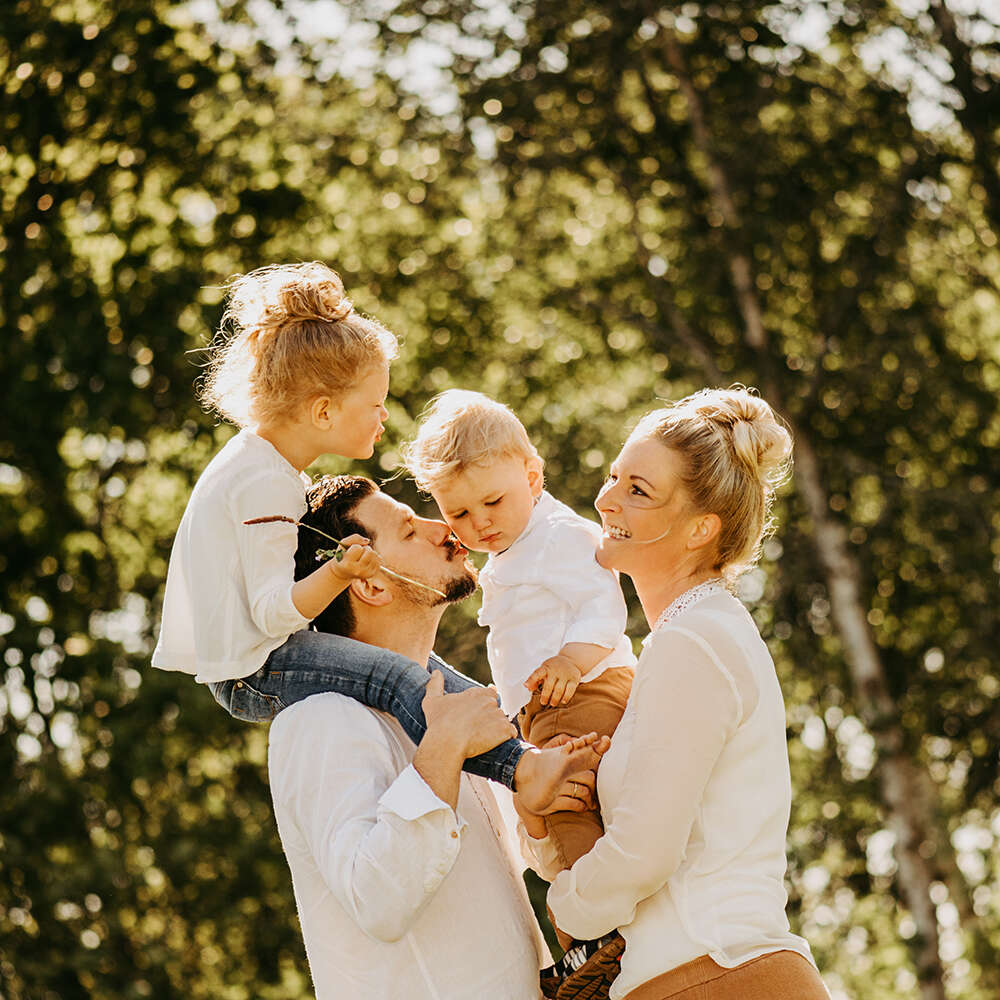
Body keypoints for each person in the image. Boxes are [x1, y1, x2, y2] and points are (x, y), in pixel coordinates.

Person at [152, 262, 598, 807]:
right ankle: (522, 773)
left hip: (259, 653)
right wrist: (338, 572)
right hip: (252, 670)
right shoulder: (262, 483)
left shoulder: (264, 469)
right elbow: (270, 614)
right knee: (393, 679)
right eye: (375, 403)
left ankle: (523, 748)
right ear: (323, 411)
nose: (384, 417)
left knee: (424, 673)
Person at [517, 387, 830, 1000]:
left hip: (722, 977)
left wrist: (568, 909)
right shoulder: (684, 640)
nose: (606, 499)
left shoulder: (697, 640)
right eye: (614, 478)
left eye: (639, 491)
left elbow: (644, 854)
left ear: (700, 529)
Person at [268, 473, 608, 999]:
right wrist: (445, 750)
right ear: (369, 583)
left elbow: (498, 875)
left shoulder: (454, 706)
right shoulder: (318, 720)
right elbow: (377, 899)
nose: (443, 527)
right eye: (409, 531)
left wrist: (534, 818)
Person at [400, 390, 636, 955]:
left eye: (492, 502)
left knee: (566, 801)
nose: (478, 524)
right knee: (551, 810)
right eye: (457, 513)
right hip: (545, 708)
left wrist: (569, 661)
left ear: (533, 477)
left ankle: (598, 933)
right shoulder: (511, 551)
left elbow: (604, 608)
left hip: (586, 689)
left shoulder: (559, 535)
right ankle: (589, 925)